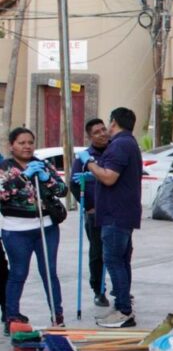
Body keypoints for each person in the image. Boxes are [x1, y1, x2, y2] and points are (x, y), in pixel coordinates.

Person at [79, 108, 143, 328]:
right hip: (123, 213)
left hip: (115, 214)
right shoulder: (129, 143)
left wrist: (89, 163)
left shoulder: (119, 145)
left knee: (114, 261)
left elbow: (109, 178)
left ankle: (124, 311)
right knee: (121, 261)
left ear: (113, 122)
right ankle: (123, 307)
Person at [0, 127, 67, 330]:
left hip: (46, 228)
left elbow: (62, 190)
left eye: (30, 142)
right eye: (21, 143)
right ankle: (12, 318)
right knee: (18, 273)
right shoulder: (4, 168)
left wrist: (47, 178)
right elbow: (2, 193)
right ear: (12, 146)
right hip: (16, 230)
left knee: (49, 272)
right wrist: (24, 177)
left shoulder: (43, 164)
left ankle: (57, 316)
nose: (27, 146)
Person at [71, 118, 109, 307]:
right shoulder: (83, 158)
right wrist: (89, 207)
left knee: (120, 252)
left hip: (115, 211)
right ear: (90, 136)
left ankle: (122, 289)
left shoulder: (115, 151)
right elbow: (74, 184)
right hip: (94, 213)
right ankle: (98, 290)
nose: (102, 134)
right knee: (97, 253)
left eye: (103, 129)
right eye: (96, 132)